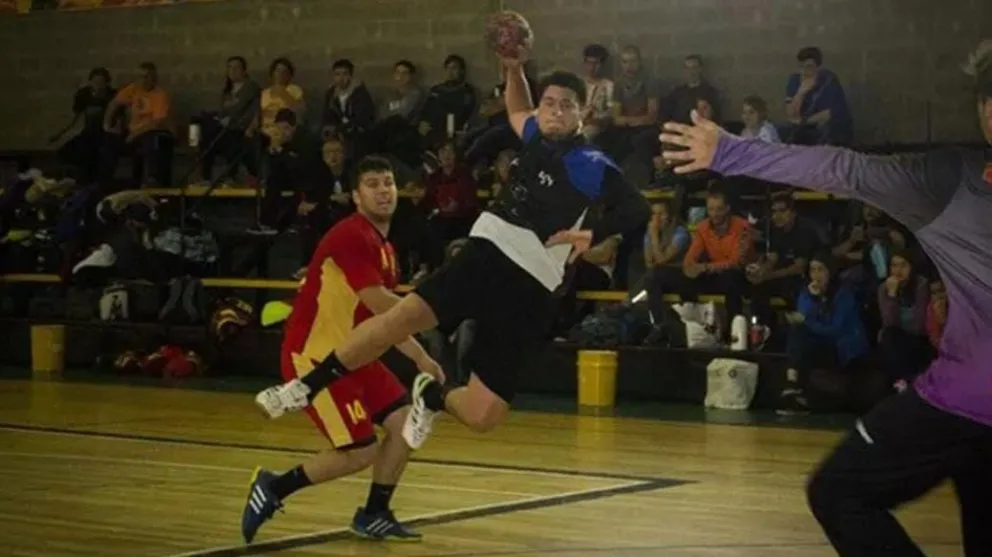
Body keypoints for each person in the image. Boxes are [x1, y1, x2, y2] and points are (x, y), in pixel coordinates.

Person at [659, 40, 992, 557]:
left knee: (840, 492)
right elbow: (843, 168)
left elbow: (843, 169)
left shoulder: (955, 182)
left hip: (967, 398)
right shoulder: (952, 181)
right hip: (967, 402)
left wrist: (730, 150)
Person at [253, 46, 650, 450]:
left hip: (534, 288)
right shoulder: (534, 133)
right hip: (489, 253)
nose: (555, 111)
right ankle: (307, 386)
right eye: (549, 103)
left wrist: (594, 231)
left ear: (580, 113)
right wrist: (514, 69)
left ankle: (431, 395)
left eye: (566, 106)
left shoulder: (591, 161)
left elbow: (637, 207)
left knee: (483, 415)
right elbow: (517, 110)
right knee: (400, 319)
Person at [240, 156, 435, 544]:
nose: (383, 190)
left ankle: (375, 513)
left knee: (405, 426)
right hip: (316, 357)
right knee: (360, 451)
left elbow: (381, 319)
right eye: (373, 184)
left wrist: (419, 356)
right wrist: (431, 323)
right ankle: (274, 487)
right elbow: (382, 304)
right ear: (355, 196)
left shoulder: (384, 246)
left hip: (358, 355)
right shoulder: (351, 235)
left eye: (389, 182)